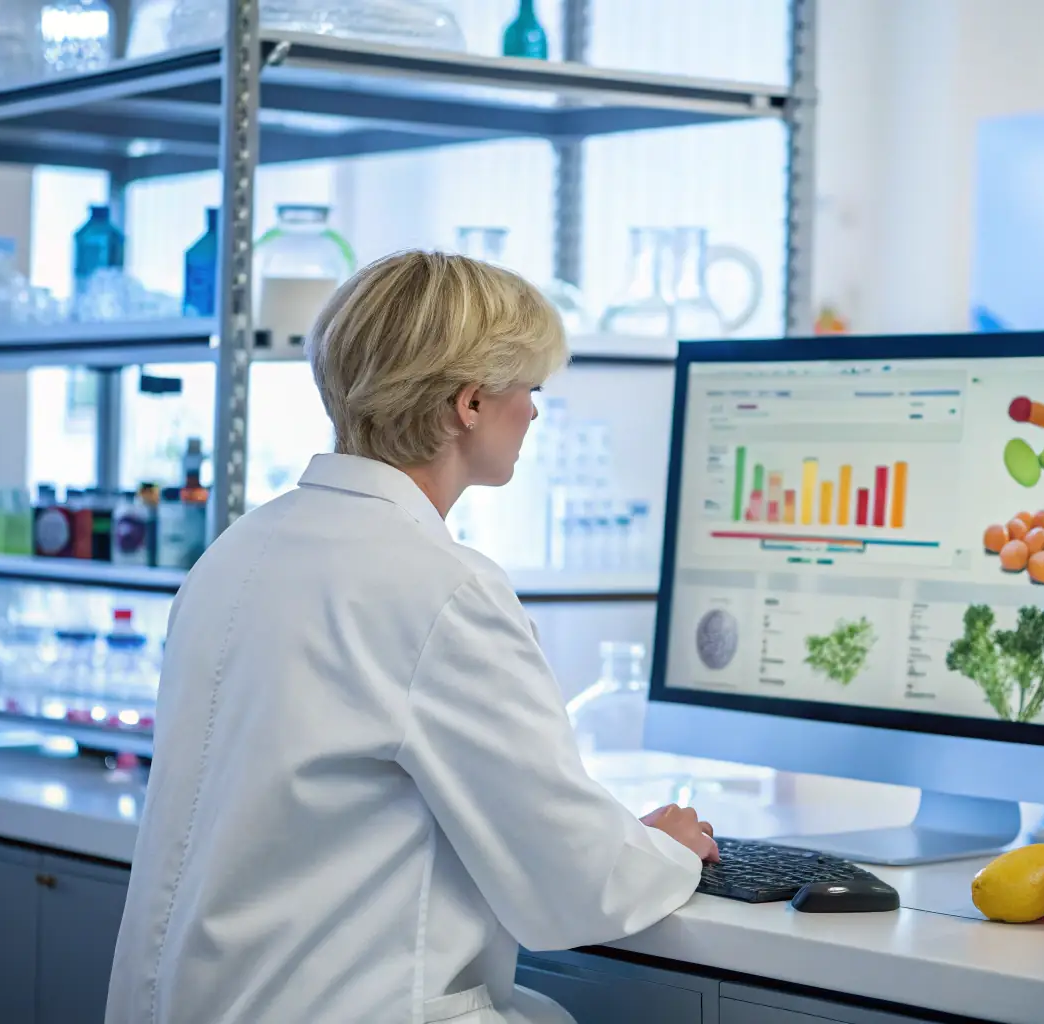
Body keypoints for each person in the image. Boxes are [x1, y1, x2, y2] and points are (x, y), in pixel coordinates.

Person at [105, 251, 719, 1024]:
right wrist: (662, 847)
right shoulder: (440, 586)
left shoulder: (240, 549)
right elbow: (575, 884)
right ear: (468, 404)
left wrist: (592, 839)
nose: (532, 412)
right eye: (528, 388)